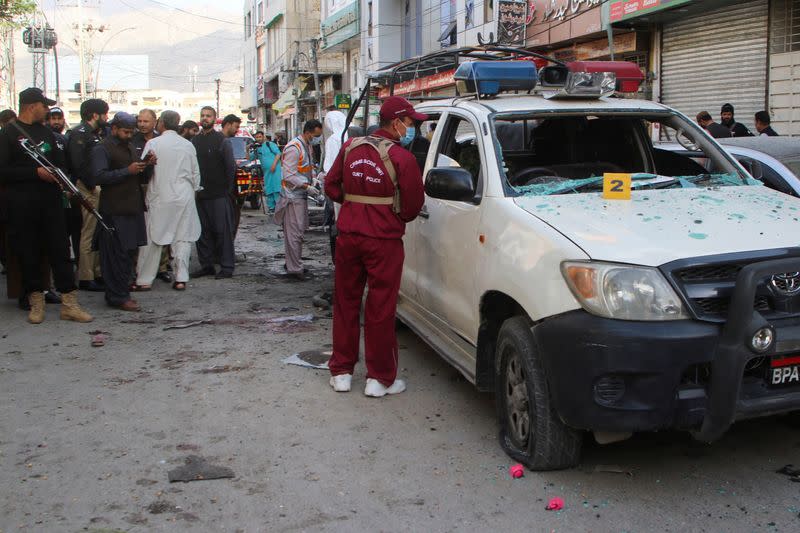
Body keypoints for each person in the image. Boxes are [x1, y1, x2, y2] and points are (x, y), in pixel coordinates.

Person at [324, 96, 426, 396]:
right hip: (383, 241)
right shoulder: (403, 159)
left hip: (348, 237)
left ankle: (341, 372)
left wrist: (355, 205)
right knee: (380, 307)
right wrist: (386, 213)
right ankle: (379, 379)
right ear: (395, 122)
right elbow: (412, 206)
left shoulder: (349, 148)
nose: (411, 128)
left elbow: (330, 186)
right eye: (409, 123)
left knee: (345, 303)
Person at [0, 88, 93, 324]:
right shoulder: (8, 134)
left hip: (51, 204)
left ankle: (69, 304)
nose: (47, 110)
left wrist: (64, 182)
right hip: (22, 205)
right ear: (32, 106)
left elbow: (60, 164)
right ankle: (36, 302)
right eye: (44, 106)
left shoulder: (48, 133)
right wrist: (34, 172)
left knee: (60, 251)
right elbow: (3, 171)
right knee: (28, 253)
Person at [90, 112, 151, 311]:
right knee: (116, 255)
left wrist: (147, 165)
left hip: (132, 207)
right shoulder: (102, 148)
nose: (128, 135)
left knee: (129, 254)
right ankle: (117, 296)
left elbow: (137, 175)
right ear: (114, 129)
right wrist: (128, 171)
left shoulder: (130, 146)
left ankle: (121, 291)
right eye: (125, 131)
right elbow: (99, 176)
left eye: (130, 132)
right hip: (115, 210)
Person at [136, 111, 201, 290]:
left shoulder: (153, 143)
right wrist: (193, 191)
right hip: (184, 195)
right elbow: (196, 174)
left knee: (153, 237)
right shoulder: (188, 145)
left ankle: (144, 280)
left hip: (160, 194)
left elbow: (143, 170)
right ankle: (181, 278)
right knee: (183, 237)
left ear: (162, 123)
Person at [66, 98, 108, 292]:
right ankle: (85, 276)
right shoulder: (79, 134)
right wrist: (91, 185)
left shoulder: (96, 134)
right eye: (104, 114)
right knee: (88, 232)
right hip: (87, 187)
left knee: (98, 231)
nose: (106, 118)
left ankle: (97, 272)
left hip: (96, 186)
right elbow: (79, 164)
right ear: (95, 115)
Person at [191, 106, 236, 279]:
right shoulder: (195, 141)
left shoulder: (221, 140)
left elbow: (230, 168)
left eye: (208, 116)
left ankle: (227, 267)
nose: (205, 118)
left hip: (219, 194)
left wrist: (226, 190)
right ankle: (207, 265)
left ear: (214, 118)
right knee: (202, 232)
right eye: (202, 116)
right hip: (200, 194)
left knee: (223, 232)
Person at [275, 119, 323, 281]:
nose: (317, 139)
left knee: (298, 232)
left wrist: (314, 179)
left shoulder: (306, 146)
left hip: (299, 196)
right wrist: (306, 187)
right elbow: (289, 175)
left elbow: (308, 168)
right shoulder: (294, 148)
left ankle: (294, 264)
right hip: (292, 197)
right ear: (308, 132)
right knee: (294, 234)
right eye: (316, 136)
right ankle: (294, 269)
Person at [132, 108, 171, 283]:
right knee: (140, 227)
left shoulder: (162, 140)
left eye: (145, 121)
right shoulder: (132, 140)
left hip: (161, 187)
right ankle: (136, 267)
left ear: (155, 121)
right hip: (139, 187)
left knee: (160, 226)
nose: (141, 124)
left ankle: (162, 267)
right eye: (139, 121)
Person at [321, 110, 348, 258]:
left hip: (337, 187)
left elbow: (330, 168)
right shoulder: (352, 135)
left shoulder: (333, 139)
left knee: (336, 220)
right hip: (351, 186)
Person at [220, 114, 244, 237]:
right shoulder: (221, 141)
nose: (237, 130)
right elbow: (228, 169)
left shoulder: (225, 141)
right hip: (224, 193)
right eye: (236, 127)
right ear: (228, 124)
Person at [251, 130, 282, 212]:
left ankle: (279, 209)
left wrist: (274, 165)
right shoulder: (257, 149)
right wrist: (247, 149)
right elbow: (249, 158)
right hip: (266, 173)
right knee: (269, 190)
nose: (258, 139)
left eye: (260, 137)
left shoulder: (270, 145)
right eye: (256, 137)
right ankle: (271, 208)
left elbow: (278, 154)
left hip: (276, 171)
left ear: (263, 136)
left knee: (276, 189)